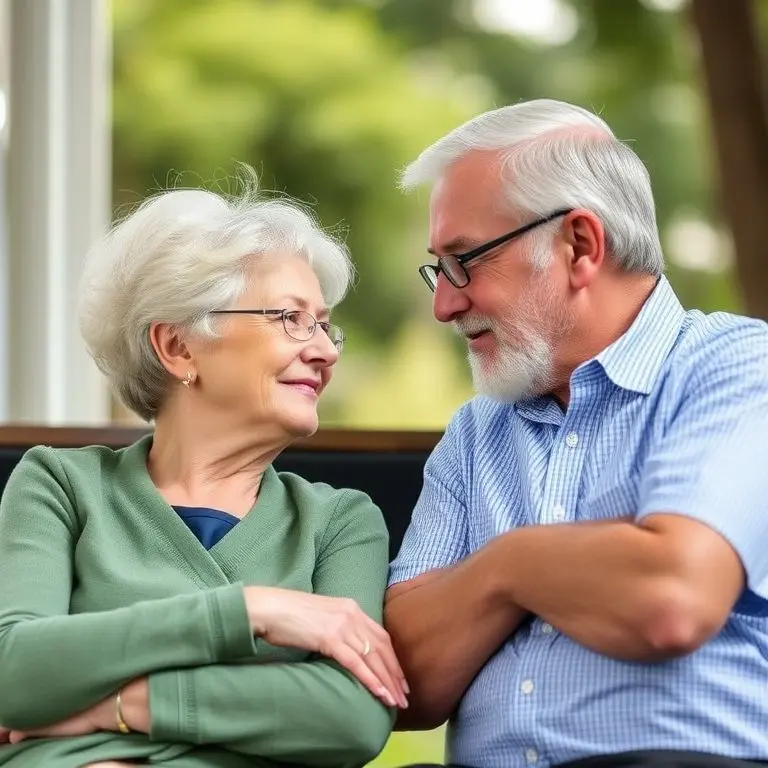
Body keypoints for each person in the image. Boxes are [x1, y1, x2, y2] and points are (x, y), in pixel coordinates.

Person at [384, 99, 768, 768]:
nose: (445, 302)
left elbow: (669, 600)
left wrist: (506, 564)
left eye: (464, 260)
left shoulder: (738, 367)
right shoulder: (476, 433)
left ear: (580, 246)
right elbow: (404, 679)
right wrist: (538, 568)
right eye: (438, 268)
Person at [0, 180, 408, 768]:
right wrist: (253, 612)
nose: (326, 351)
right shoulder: (59, 486)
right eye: (290, 319)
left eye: (324, 324)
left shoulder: (340, 522)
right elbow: (14, 672)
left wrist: (117, 708)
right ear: (178, 347)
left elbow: (355, 714)